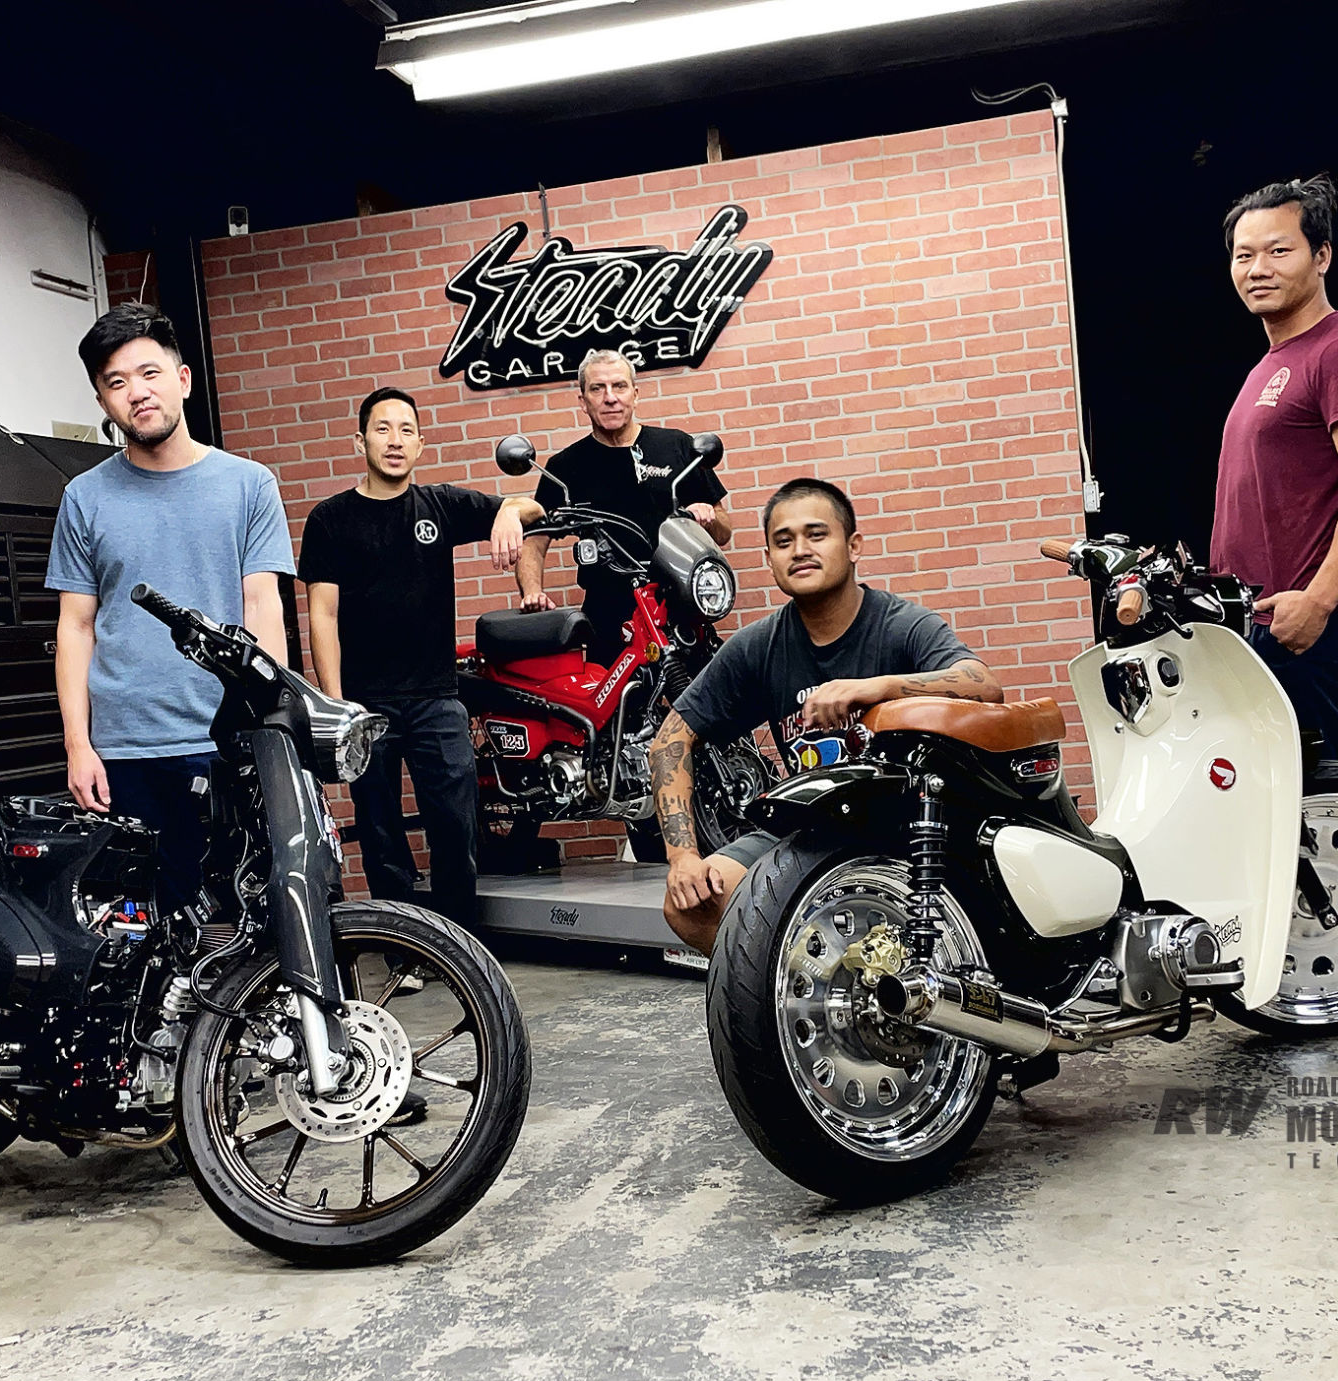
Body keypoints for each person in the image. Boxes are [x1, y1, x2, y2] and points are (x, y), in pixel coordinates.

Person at [650, 478, 1003, 955]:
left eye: (817, 535)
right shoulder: (760, 646)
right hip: (808, 834)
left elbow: (983, 685)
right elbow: (671, 740)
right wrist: (683, 857)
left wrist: (877, 688)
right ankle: (806, 987)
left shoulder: (900, 625)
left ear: (853, 545)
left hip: (904, 835)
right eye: (783, 541)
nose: (800, 550)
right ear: (769, 559)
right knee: (690, 905)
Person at [47, 303, 294, 913]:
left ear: (182, 380)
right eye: (117, 382)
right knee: (147, 928)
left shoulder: (249, 484)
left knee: (248, 919)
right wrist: (79, 745)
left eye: (149, 373)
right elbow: (75, 628)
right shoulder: (83, 498)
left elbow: (264, 606)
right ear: (104, 402)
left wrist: (275, 729)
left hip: (228, 739)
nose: (137, 393)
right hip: (126, 750)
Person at [300, 387, 543, 929]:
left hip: (437, 697)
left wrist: (506, 511)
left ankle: (459, 941)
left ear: (421, 444)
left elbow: (535, 504)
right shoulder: (331, 519)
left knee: (455, 824)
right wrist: (337, 706)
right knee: (382, 831)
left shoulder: (442, 505)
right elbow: (322, 616)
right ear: (360, 440)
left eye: (406, 430)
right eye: (383, 429)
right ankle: (403, 944)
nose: (395, 441)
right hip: (366, 701)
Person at [1213, 174, 1338, 763]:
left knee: (1325, 815)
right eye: (1244, 255)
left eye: (1279, 250)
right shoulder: (1274, 361)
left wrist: (1318, 602)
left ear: (1321, 256)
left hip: (1308, 629)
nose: (1258, 268)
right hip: (1262, 625)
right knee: (1274, 819)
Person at [514, 350, 731, 664]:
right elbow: (534, 540)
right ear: (583, 401)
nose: (610, 398)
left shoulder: (678, 447)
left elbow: (724, 530)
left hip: (680, 602)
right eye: (597, 389)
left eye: (619, 386)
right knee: (612, 708)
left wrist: (709, 518)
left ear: (635, 394)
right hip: (608, 613)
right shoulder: (565, 468)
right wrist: (532, 591)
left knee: (698, 701)